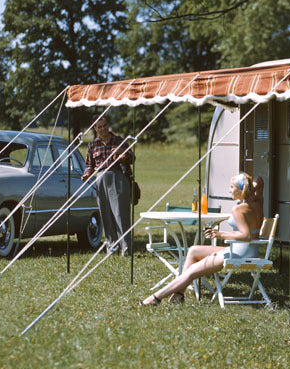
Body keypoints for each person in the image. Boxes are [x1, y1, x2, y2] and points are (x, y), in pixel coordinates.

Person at [142, 173, 264, 305]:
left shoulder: (238, 209)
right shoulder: (258, 202)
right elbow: (260, 180)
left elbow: (246, 236)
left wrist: (220, 234)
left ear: (241, 190)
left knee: (191, 272)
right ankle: (178, 294)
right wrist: (250, 186)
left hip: (238, 253)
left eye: (231, 187)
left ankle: (155, 298)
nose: (229, 190)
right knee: (194, 250)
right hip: (250, 251)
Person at [82, 116, 135, 256]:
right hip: (100, 179)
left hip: (117, 177)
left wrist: (122, 153)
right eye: (99, 127)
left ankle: (126, 249)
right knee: (105, 214)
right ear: (95, 128)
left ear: (108, 125)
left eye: (104, 125)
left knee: (120, 214)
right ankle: (112, 248)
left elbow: (132, 158)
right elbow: (90, 165)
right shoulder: (92, 145)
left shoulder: (119, 140)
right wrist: (87, 174)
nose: (103, 129)